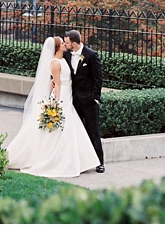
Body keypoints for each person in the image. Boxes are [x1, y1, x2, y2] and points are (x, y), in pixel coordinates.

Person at [6, 36, 100, 179]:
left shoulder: (65, 57)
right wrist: (56, 102)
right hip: (61, 96)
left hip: (70, 95)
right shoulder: (55, 62)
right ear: (57, 47)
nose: (65, 44)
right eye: (62, 43)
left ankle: (81, 161)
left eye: (65, 42)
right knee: (63, 126)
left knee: (73, 127)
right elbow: (58, 84)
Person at [63, 29, 105, 172]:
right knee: (77, 132)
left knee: (93, 131)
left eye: (67, 42)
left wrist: (94, 97)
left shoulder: (91, 55)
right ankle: (81, 162)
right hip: (73, 100)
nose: (65, 44)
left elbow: (98, 78)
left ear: (74, 43)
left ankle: (100, 162)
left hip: (88, 100)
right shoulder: (66, 54)